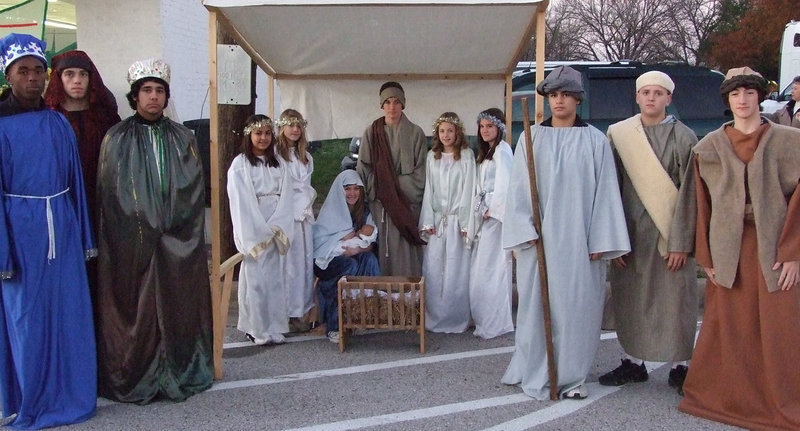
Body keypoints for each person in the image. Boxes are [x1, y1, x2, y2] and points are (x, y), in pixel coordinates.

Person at [678, 67, 800, 430]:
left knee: (782, 325)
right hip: (729, 250)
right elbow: (699, 205)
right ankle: (731, 398)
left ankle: (781, 399)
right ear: (727, 100)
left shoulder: (790, 141)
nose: (743, 100)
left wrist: (793, 251)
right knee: (731, 326)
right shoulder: (707, 147)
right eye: (735, 94)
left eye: (749, 92)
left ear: (759, 97)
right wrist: (707, 256)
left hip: (775, 248)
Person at [502, 66, 630, 400]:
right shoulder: (532, 139)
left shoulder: (595, 141)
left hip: (579, 242)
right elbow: (517, 189)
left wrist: (602, 240)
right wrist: (523, 228)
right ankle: (534, 367)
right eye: (554, 95)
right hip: (540, 241)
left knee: (576, 310)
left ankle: (571, 377)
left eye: (566, 95)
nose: (559, 101)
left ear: (577, 99)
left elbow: (606, 192)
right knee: (535, 309)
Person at [96, 58, 213, 403]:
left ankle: (179, 368)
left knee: (178, 304)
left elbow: (193, 190)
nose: (153, 97)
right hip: (133, 245)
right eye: (146, 90)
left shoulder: (184, 138)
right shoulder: (116, 138)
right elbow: (111, 196)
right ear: (135, 96)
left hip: (177, 241)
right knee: (140, 309)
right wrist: (143, 226)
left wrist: (172, 227)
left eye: (159, 90)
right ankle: (138, 373)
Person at [0, 33, 97, 429]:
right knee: (28, 320)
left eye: (39, 71)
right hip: (20, 233)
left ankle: (71, 394)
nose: (33, 79)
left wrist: (83, 235)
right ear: (8, 75)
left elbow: (74, 182)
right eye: (24, 71)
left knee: (69, 315)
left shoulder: (58, 122)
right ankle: (31, 399)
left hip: (63, 227)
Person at [600, 71, 698, 395]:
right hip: (630, 233)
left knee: (676, 301)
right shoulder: (620, 135)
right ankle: (632, 362)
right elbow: (610, 188)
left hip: (670, 235)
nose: (651, 98)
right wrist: (614, 241)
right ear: (637, 97)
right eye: (646, 92)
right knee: (630, 298)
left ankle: (681, 367)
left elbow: (691, 195)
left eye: (658, 93)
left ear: (669, 98)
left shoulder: (685, 137)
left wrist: (681, 242)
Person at [43, 49, 121, 293]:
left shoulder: (106, 118)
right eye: (69, 74)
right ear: (59, 78)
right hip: (65, 203)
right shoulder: (49, 119)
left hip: (101, 201)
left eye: (82, 74)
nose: (77, 80)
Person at [228, 114, 295, 345]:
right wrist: (257, 231)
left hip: (276, 224)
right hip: (254, 226)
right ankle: (256, 327)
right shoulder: (240, 165)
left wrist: (277, 225)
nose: (263, 138)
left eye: (267, 133)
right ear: (249, 136)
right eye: (258, 133)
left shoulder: (280, 163)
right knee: (256, 281)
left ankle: (275, 325)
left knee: (275, 279)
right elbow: (240, 202)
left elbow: (287, 196)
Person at [357, 81, 427, 276]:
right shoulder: (372, 132)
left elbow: (421, 173)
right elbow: (363, 167)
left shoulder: (415, 133)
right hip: (381, 204)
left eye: (396, 101)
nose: (392, 107)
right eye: (387, 102)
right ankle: (383, 299)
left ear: (403, 104)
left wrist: (393, 188)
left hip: (406, 205)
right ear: (381, 105)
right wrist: (383, 190)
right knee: (383, 251)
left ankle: (408, 299)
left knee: (406, 253)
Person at [419, 112, 475, 333]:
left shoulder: (467, 156)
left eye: (450, 131)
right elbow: (428, 190)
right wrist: (428, 220)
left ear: (458, 132)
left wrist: (465, 223)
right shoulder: (432, 156)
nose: (446, 135)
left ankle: (456, 317)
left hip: (456, 221)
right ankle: (434, 316)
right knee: (434, 268)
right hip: (437, 221)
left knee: (456, 270)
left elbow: (469, 189)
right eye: (442, 131)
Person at [313, 170, 380, 342]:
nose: (352, 193)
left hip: (353, 253)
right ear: (340, 190)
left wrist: (356, 248)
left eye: (356, 189)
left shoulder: (363, 211)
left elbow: (370, 243)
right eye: (348, 189)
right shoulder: (331, 211)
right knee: (349, 267)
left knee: (369, 260)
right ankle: (335, 326)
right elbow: (320, 242)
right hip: (326, 260)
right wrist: (342, 240)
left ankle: (366, 316)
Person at [467, 108, 514, 340]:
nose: (485, 130)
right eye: (482, 126)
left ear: (500, 128)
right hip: (485, 216)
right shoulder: (486, 153)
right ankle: (485, 318)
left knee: (494, 269)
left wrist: (491, 209)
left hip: (496, 220)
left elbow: (506, 187)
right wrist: (479, 207)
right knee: (482, 269)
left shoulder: (503, 152)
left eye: (490, 126)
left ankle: (497, 321)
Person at [275, 109, 316, 332]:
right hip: (286, 215)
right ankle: (282, 313)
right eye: (290, 125)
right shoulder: (275, 155)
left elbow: (305, 185)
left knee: (302, 264)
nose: (294, 129)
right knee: (286, 265)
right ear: (282, 127)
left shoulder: (305, 157)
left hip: (303, 216)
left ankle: (299, 311)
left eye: (298, 126)